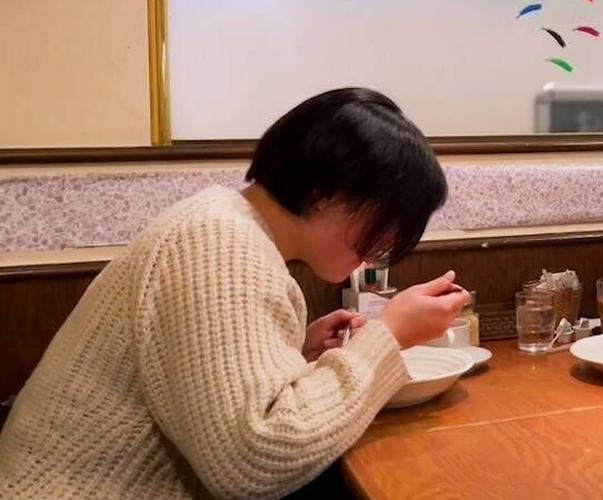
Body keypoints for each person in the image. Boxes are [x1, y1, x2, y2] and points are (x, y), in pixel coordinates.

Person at [0, 88, 469, 498]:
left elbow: (203, 388)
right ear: (324, 193)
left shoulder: (226, 225)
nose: (382, 244)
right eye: (383, 221)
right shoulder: (220, 242)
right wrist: (386, 336)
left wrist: (296, 353)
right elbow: (255, 462)